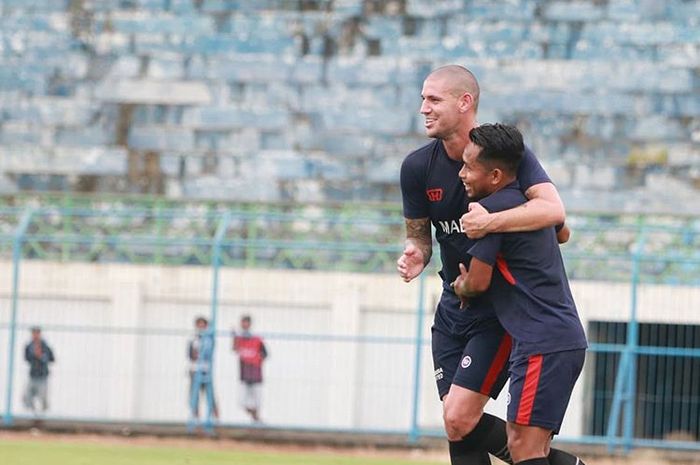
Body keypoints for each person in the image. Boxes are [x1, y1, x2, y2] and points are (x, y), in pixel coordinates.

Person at [398, 65, 584, 465]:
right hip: (451, 309)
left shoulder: (506, 160)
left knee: (469, 420)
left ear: (465, 102)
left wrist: (488, 222)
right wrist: (417, 251)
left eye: (433, 99)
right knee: (457, 425)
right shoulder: (416, 168)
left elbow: (555, 213)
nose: (423, 109)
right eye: (422, 99)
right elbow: (420, 236)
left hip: (495, 310)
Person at [452, 123, 588, 465]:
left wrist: (460, 286)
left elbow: (478, 283)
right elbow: (563, 231)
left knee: (525, 448)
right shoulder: (528, 206)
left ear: (496, 175)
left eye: (469, 167)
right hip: (556, 337)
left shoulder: (490, 213)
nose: (462, 174)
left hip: (542, 341)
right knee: (525, 445)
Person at [233, 315, 268, 423]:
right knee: (242, 402)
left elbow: (265, 354)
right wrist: (234, 336)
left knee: (257, 400)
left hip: (256, 374)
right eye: (243, 323)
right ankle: (256, 418)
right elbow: (235, 349)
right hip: (244, 374)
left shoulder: (257, 339)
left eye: (246, 323)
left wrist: (256, 361)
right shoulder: (239, 338)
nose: (244, 325)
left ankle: (256, 419)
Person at [187, 316, 219, 423]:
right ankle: (196, 419)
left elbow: (208, 354)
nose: (201, 326)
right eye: (199, 324)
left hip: (206, 370)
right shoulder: (193, 339)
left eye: (203, 324)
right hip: (195, 370)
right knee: (194, 395)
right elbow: (191, 355)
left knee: (211, 396)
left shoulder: (209, 339)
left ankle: (215, 419)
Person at [23, 327, 55, 415]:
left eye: (37, 333)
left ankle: (42, 416)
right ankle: (34, 414)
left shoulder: (45, 346)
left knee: (43, 398)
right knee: (27, 397)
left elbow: (52, 359)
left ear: (39, 334)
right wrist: (34, 355)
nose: (35, 336)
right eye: (33, 333)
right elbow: (26, 358)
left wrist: (41, 356)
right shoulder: (29, 346)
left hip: (42, 376)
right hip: (32, 375)